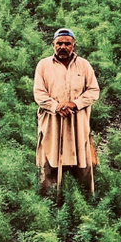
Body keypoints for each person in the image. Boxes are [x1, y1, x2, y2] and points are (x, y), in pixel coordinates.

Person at [33, 28, 100, 196]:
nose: (63, 46)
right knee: (50, 159)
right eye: (59, 43)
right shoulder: (44, 65)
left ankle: (84, 201)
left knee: (82, 160)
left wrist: (74, 104)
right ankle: (49, 201)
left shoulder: (84, 65)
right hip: (52, 123)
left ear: (73, 45)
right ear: (53, 45)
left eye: (67, 43)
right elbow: (39, 94)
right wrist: (56, 107)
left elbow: (93, 91)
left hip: (78, 122)